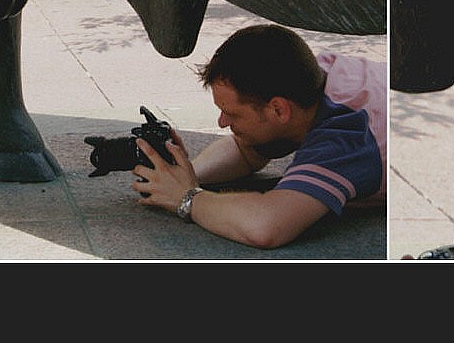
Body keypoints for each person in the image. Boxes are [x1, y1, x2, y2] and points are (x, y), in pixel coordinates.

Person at [130, 24, 386, 249]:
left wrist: (186, 198)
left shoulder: (347, 135)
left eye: (231, 114)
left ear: (278, 109)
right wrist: (183, 175)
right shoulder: (312, 75)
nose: (222, 123)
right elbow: (247, 151)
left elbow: (266, 226)